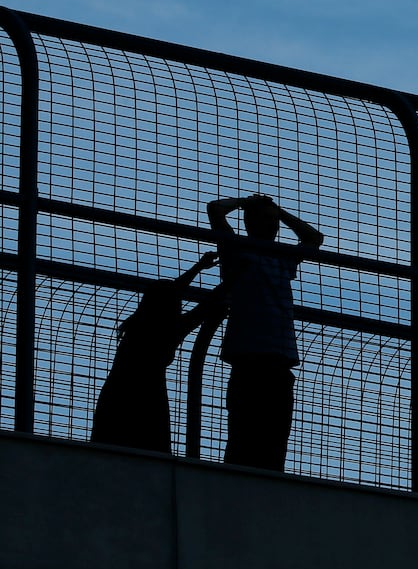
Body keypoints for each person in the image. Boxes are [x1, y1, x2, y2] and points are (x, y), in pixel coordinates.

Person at [208, 193, 324, 471]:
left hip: (277, 358)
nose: (272, 226)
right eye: (264, 219)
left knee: (274, 436)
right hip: (248, 355)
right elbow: (214, 210)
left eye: (273, 221)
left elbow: (314, 239)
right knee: (244, 433)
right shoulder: (235, 248)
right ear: (249, 223)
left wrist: (278, 210)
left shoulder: (282, 256)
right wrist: (245, 202)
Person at [91, 252, 221, 454]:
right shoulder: (169, 330)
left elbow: (170, 292)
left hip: (116, 397)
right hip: (148, 400)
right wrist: (236, 277)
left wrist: (198, 267)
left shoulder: (140, 325)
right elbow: (207, 305)